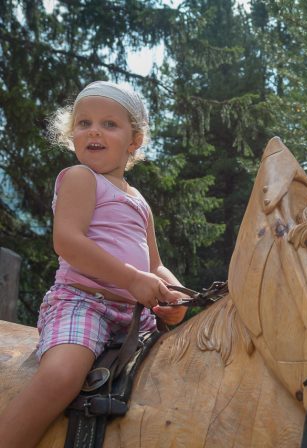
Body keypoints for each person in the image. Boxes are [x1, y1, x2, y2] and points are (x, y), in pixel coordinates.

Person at [0, 81, 188, 447]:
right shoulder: (80, 178)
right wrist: (133, 279)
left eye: (109, 124)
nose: (94, 130)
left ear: (134, 141)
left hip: (136, 316)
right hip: (84, 304)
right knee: (63, 375)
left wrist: (176, 295)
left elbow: (156, 263)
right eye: (83, 123)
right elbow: (68, 242)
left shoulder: (138, 199)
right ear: (72, 135)